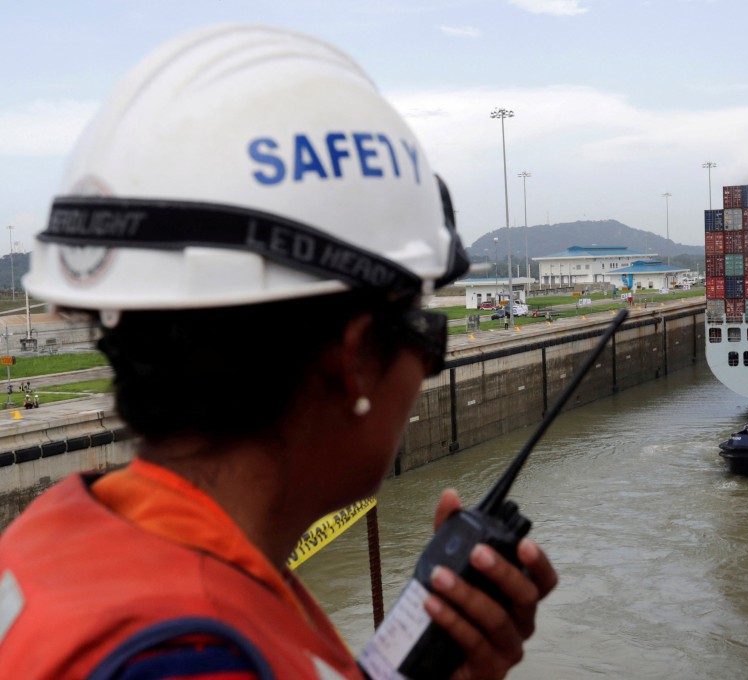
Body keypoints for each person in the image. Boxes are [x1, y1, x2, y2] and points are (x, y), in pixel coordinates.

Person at [0, 25, 556, 680]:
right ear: (354, 359)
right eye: (425, 328)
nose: (428, 366)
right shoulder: (194, 658)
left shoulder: (63, 535)